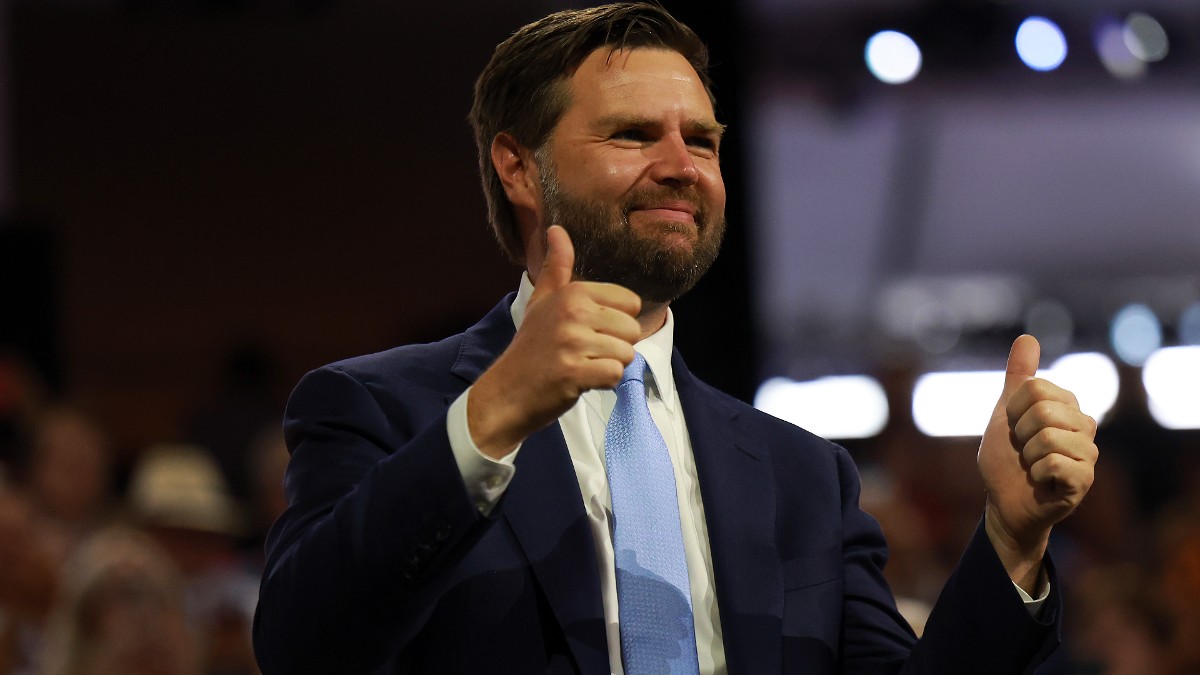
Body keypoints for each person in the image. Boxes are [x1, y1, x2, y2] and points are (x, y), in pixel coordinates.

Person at [253, 4, 1098, 674]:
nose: (682, 165)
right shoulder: (380, 409)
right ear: (518, 166)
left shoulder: (805, 477)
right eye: (632, 135)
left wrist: (1012, 543)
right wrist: (494, 412)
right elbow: (304, 646)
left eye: (702, 140)